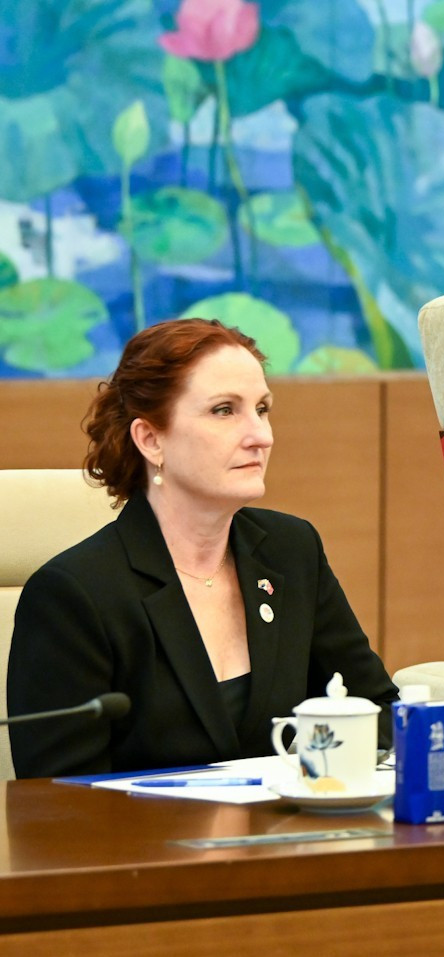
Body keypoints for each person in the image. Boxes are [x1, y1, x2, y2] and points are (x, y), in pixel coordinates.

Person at [7, 319, 397, 777]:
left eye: (263, 408)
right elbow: (59, 801)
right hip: (148, 848)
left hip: (290, 839)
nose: (261, 435)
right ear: (151, 439)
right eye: (224, 411)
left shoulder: (292, 551)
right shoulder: (76, 594)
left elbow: (380, 714)